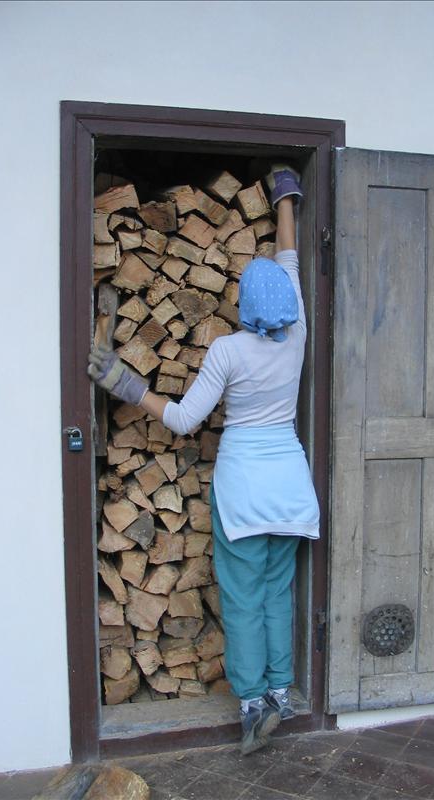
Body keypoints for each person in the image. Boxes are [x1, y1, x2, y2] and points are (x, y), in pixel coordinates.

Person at [88, 164, 320, 756]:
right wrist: (286, 200)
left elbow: (184, 419)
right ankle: (280, 690)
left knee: (242, 598)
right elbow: (290, 263)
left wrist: (126, 383)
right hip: (291, 488)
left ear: (245, 303)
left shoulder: (227, 350)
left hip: (243, 489)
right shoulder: (297, 332)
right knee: (276, 593)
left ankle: (252, 704)